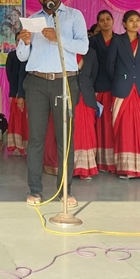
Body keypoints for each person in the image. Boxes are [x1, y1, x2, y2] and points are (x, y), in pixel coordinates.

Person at [17, 0, 88, 207]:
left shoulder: (74, 16)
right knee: (36, 138)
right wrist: (24, 42)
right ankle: (35, 190)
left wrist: (59, 38)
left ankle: (65, 191)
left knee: (64, 139)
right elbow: (22, 57)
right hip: (36, 83)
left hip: (64, 82)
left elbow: (84, 46)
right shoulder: (32, 20)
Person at [106, 10, 140, 179]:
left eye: (137, 20)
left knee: (138, 127)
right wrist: (122, 79)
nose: (135, 23)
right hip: (122, 89)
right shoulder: (117, 41)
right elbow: (110, 65)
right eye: (131, 20)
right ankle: (125, 167)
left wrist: (133, 78)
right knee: (123, 128)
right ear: (124, 24)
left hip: (139, 90)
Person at [42, 49, 100, 180]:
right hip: (65, 95)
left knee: (86, 133)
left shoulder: (91, 53)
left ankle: (84, 168)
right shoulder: (63, 50)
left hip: (86, 98)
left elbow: (94, 75)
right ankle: (67, 168)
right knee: (68, 131)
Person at [89, 10, 117, 173]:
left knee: (113, 125)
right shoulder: (92, 41)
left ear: (113, 21)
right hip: (97, 87)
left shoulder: (120, 40)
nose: (105, 22)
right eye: (102, 20)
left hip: (116, 87)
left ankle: (113, 161)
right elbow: (90, 65)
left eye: (108, 19)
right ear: (98, 23)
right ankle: (99, 160)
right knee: (99, 125)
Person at [5, 32, 28, 155]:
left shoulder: (30, 55)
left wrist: (23, 91)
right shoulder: (12, 55)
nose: (20, 43)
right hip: (15, 92)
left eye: (23, 40)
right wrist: (18, 92)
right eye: (18, 40)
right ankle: (16, 146)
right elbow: (10, 76)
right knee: (16, 120)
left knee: (27, 120)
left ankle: (27, 147)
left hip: (29, 92)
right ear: (15, 42)